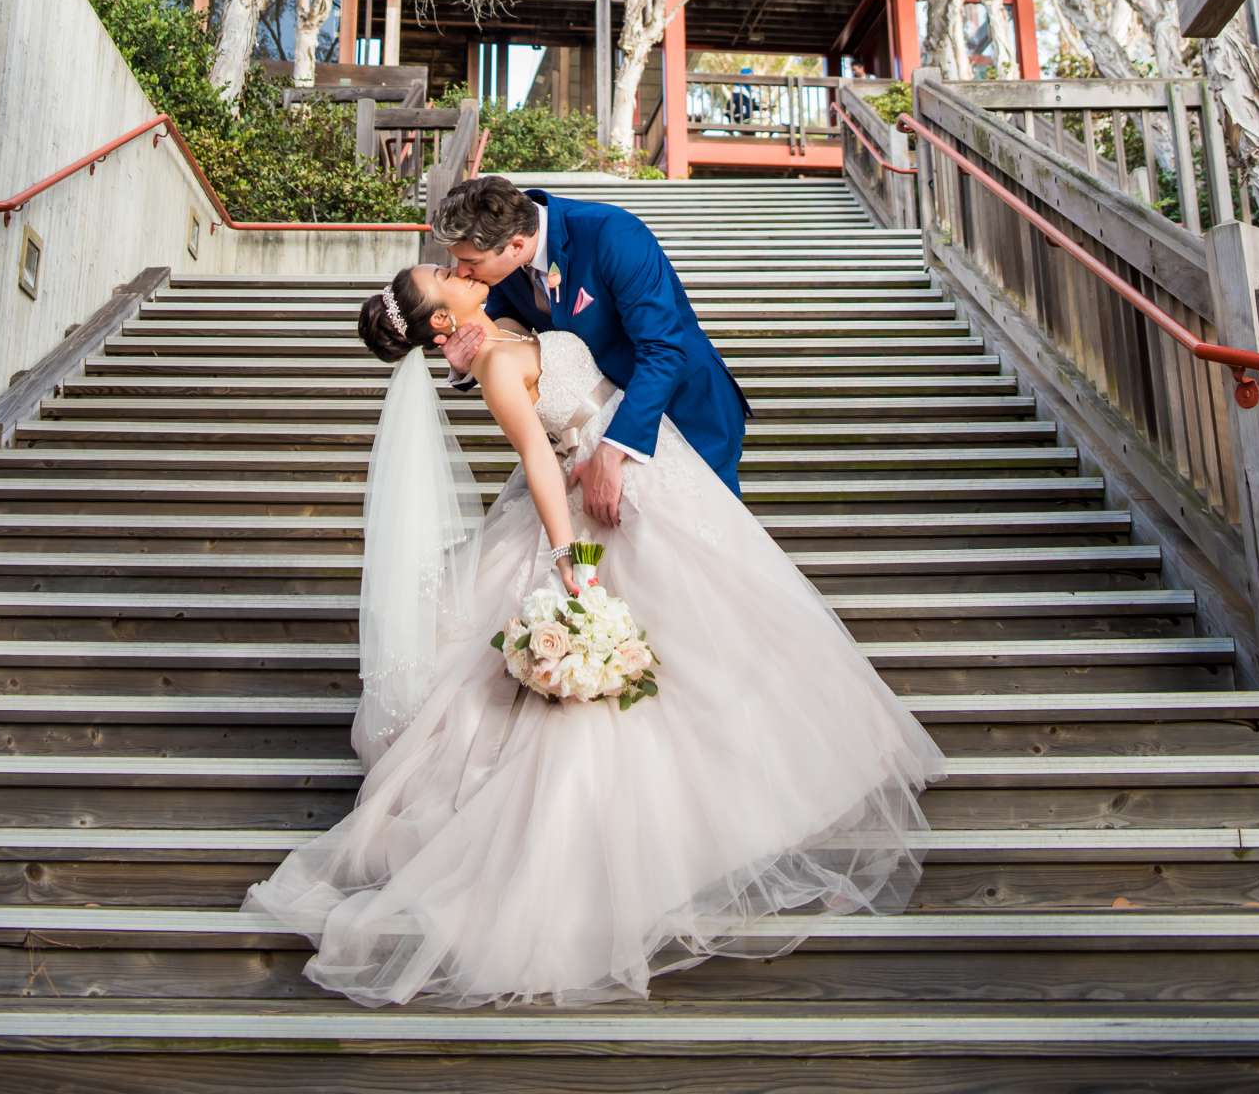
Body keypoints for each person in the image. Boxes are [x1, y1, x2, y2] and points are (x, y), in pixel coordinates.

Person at [240, 250, 943, 1009]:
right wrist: (571, 562)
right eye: (445, 277)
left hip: (651, 472)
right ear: (441, 317)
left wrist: (476, 342)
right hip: (585, 505)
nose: (456, 267)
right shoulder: (499, 369)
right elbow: (541, 464)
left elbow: (530, 328)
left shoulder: (500, 331)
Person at [433, 175, 752, 520]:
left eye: (472, 263)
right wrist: (467, 363)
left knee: (706, 541)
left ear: (515, 244)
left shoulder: (612, 235)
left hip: (684, 409)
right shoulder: (499, 266)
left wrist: (614, 448)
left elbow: (662, 349)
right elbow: (505, 332)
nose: (462, 272)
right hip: (595, 423)